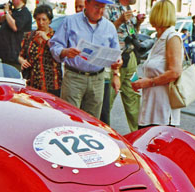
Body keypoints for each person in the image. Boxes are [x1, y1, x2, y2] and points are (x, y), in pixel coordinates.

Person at [49, 0, 122, 119]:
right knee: (69, 117)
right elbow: (55, 44)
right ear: (86, 3)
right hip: (74, 77)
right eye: (96, 6)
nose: (100, 11)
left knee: (92, 120)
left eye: (103, 7)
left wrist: (117, 68)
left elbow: (116, 53)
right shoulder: (70, 21)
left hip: (97, 80)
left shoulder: (109, 27)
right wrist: (65, 52)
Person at [131, 0, 182, 127]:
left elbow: (175, 72)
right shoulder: (161, 38)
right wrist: (145, 81)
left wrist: (149, 82)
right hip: (152, 107)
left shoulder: (172, 37)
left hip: (163, 110)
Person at [104, 0, 146, 131]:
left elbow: (132, 32)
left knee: (133, 95)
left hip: (130, 59)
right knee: (108, 98)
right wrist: (119, 21)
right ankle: (104, 133)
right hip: (115, 60)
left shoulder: (128, 8)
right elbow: (104, 31)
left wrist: (137, 24)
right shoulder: (109, 7)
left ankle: (137, 134)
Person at [18, 5, 62, 96]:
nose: (41, 22)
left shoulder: (56, 37)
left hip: (52, 84)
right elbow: (19, 54)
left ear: (49, 21)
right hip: (32, 82)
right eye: (38, 19)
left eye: (44, 19)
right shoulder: (29, 36)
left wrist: (47, 39)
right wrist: (22, 61)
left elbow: (60, 55)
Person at [0, 0, 32, 70]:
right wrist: (6, 14)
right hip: (6, 52)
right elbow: (0, 21)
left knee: (12, 75)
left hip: (14, 53)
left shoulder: (24, 12)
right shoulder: (14, 11)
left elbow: (15, 27)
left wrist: (7, 12)